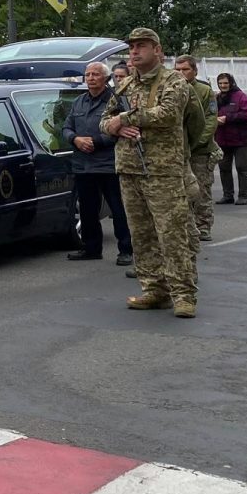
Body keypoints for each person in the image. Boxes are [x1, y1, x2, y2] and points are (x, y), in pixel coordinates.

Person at [101, 28, 199, 318]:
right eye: (131, 47)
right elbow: (104, 120)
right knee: (141, 235)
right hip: (130, 169)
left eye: (141, 46)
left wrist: (124, 118)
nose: (134, 51)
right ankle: (155, 290)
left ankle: (184, 295)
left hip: (163, 171)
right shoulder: (125, 84)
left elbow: (168, 114)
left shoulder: (174, 80)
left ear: (157, 50)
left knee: (172, 235)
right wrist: (115, 127)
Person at [61, 61, 134, 266]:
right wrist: (75, 139)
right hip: (83, 164)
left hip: (109, 163)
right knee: (88, 210)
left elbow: (124, 130)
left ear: (106, 78)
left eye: (95, 74)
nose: (91, 78)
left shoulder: (116, 100)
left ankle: (126, 250)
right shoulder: (79, 101)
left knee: (118, 209)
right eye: (88, 74)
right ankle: (91, 248)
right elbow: (66, 127)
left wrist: (96, 141)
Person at [175, 55, 218, 242]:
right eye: (177, 70)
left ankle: (203, 225)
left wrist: (195, 142)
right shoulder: (171, 90)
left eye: (185, 69)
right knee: (181, 191)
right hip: (178, 150)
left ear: (194, 71)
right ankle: (186, 226)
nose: (181, 73)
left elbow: (210, 120)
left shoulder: (204, 90)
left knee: (201, 189)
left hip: (200, 151)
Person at [214, 72, 247, 205]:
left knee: (242, 168)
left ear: (231, 83)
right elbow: (210, 113)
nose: (223, 85)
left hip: (242, 140)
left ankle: (243, 196)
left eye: (225, 83)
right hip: (222, 139)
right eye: (220, 83)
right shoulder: (216, 98)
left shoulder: (241, 96)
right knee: (224, 168)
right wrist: (215, 120)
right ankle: (227, 195)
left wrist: (228, 118)